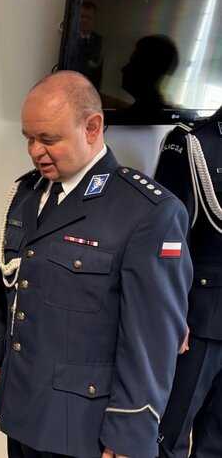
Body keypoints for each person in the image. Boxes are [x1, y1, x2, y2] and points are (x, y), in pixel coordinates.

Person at [0, 70, 192, 457]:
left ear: (92, 127)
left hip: (84, 426)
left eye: (49, 139)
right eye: (29, 138)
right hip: (22, 405)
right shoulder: (26, 193)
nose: (35, 151)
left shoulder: (147, 211)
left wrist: (130, 434)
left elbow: (152, 339)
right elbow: (8, 281)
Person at [155, 106, 222, 457]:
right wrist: (172, 314)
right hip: (199, 320)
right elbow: (167, 240)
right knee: (170, 437)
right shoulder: (191, 143)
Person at [68, 1, 104, 90]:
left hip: (89, 86)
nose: (85, 20)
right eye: (82, 16)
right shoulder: (69, 37)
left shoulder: (98, 40)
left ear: (94, 20)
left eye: (89, 17)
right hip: (69, 84)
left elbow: (98, 69)